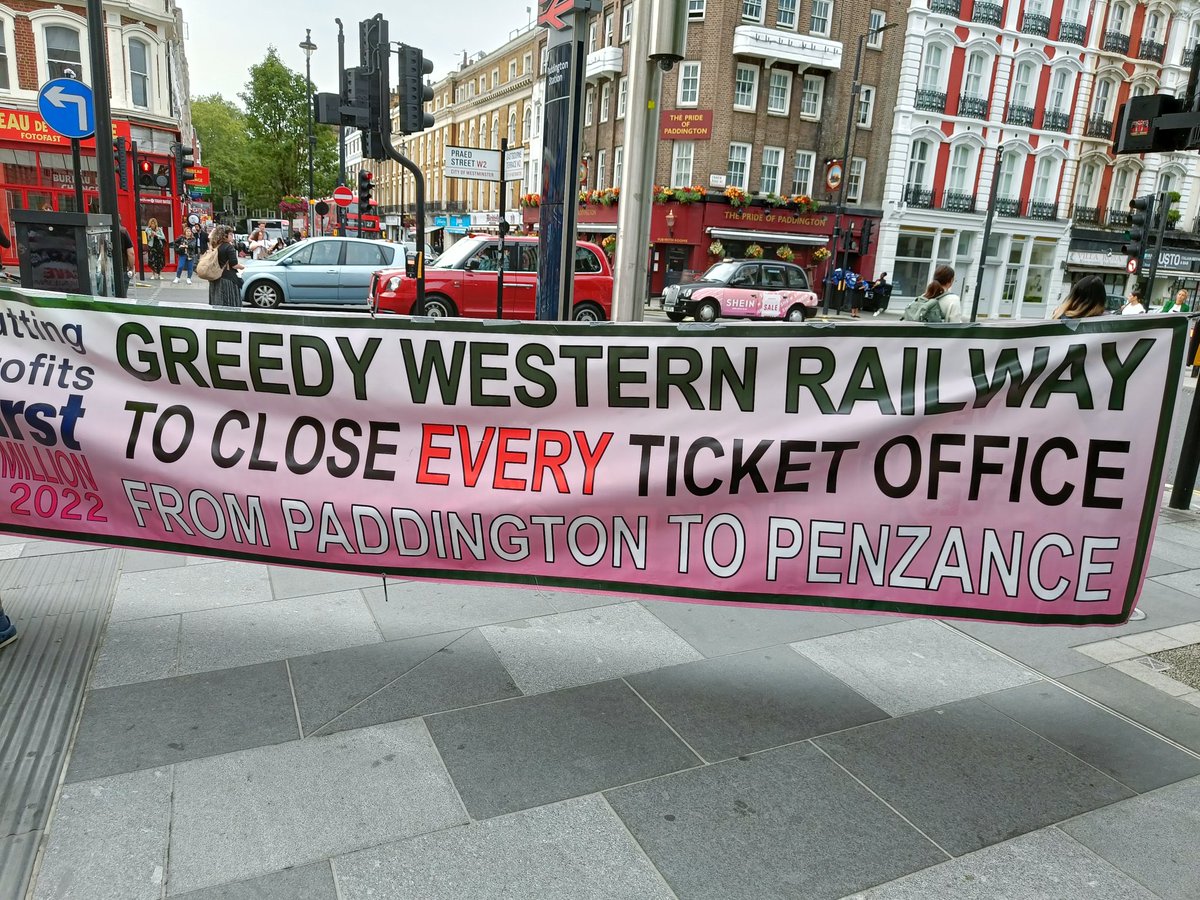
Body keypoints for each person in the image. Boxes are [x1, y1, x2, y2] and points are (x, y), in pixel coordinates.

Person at [207, 225, 244, 307]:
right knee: (228, 303)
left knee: (216, 302)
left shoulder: (215, 246)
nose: (232, 236)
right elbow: (234, 265)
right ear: (225, 235)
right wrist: (243, 267)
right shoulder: (229, 247)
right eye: (231, 234)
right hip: (227, 279)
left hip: (215, 277)